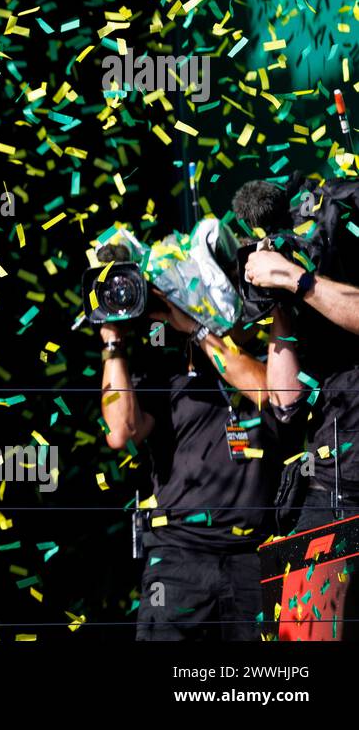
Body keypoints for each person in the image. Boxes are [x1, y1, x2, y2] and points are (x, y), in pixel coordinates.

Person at [96, 241, 282, 640]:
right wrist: (114, 341)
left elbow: (272, 394)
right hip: (177, 558)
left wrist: (199, 330)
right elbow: (119, 432)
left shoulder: (266, 356)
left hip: (253, 556)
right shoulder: (162, 368)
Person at [240, 179, 359, 529]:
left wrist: (299, 279)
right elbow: (286, 401)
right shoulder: (305, 299)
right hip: (334, 487)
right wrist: (280, 303)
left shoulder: (322, 275)